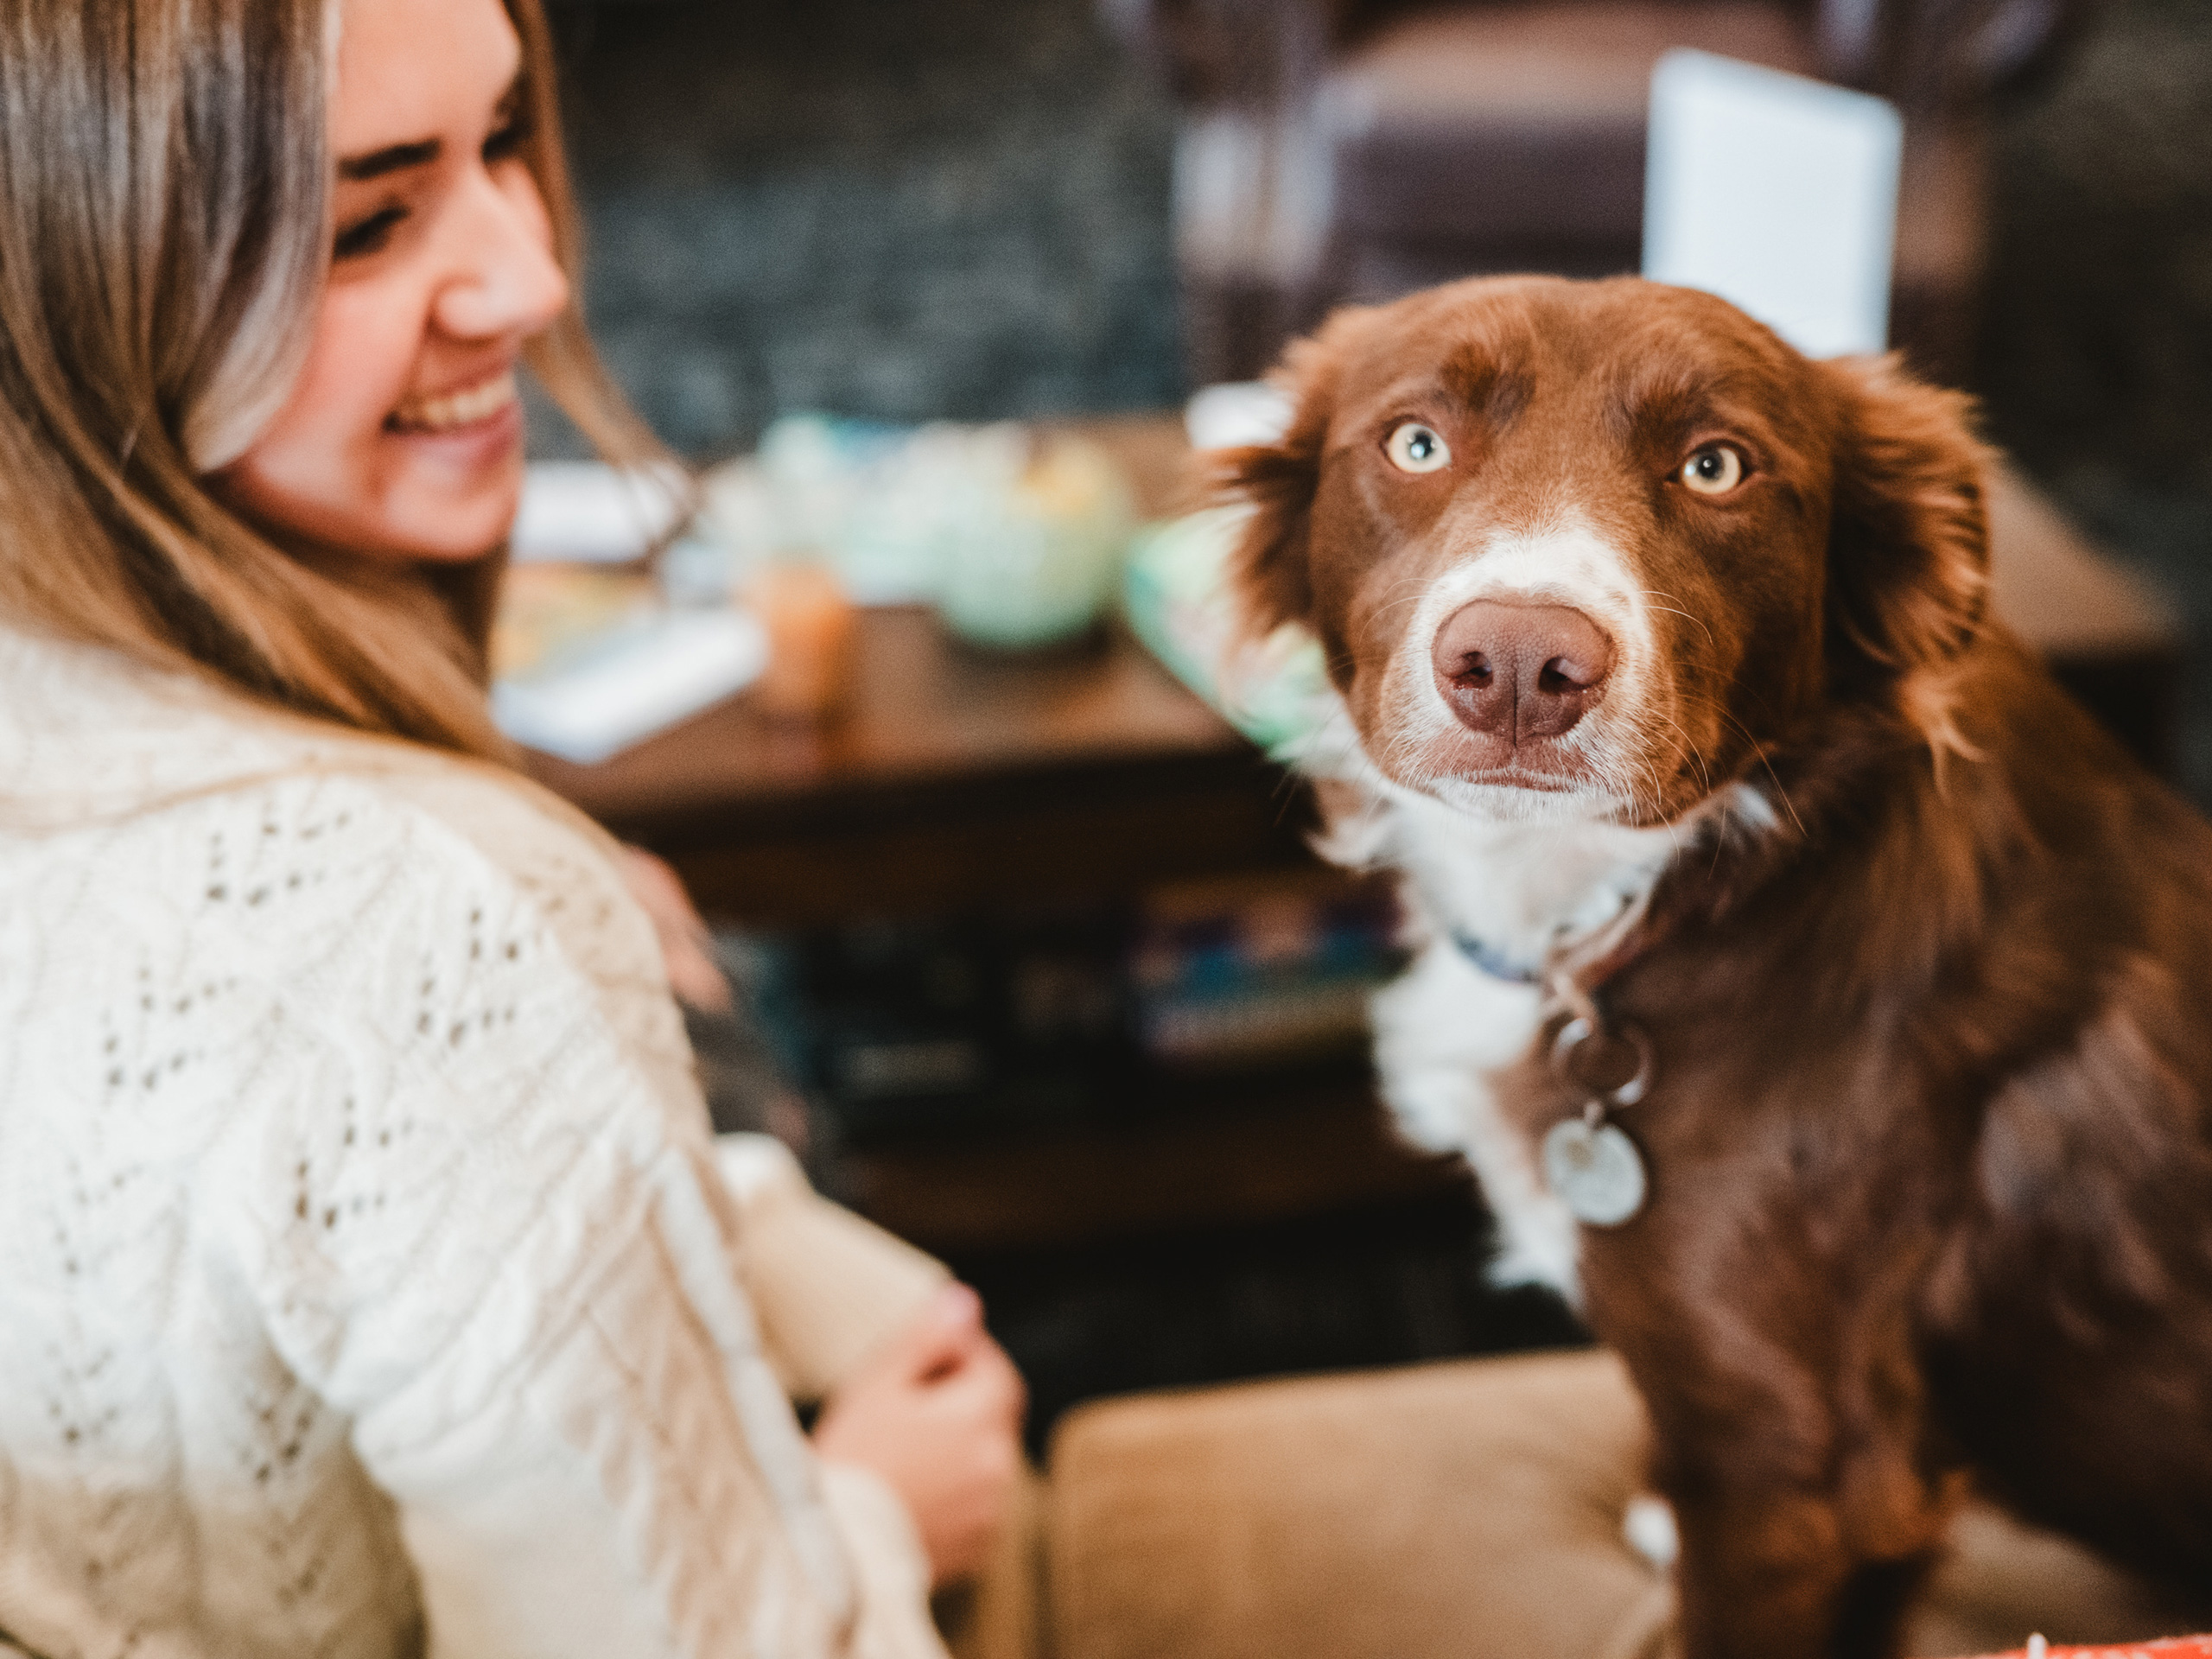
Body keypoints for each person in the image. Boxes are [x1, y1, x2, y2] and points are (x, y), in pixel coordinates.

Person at [0, 0, 1025, 1655]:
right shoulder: (442, 921)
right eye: (368, 223)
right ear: (66, 277)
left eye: (503, 143)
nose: (533, 281)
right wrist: (875, 1519)